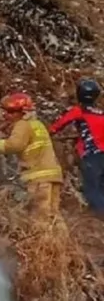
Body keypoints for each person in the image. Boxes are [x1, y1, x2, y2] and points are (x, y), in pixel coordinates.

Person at [0, 92, 63, 219]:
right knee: (53, 215)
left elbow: (14, 145)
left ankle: (41, 239)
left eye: (11, 112)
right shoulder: (37, 124)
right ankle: (62, 238)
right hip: (53, 175)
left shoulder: (22, 125)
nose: (6, 115)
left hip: (38, 178)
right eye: (6, 111)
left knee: (40, 217)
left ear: (22, 113)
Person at [49, 78, 104, 215]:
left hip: (92, 154)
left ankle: (99, 220)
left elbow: (58, 125)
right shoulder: (101, 113)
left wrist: (48, 133)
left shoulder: (78, 111)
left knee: (92, 188)